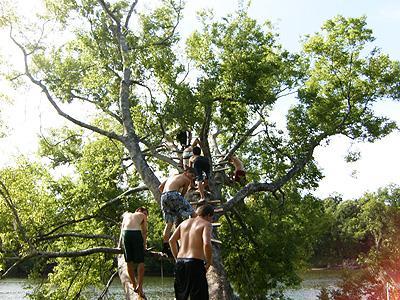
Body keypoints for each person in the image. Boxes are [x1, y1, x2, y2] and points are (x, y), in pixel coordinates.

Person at [169, 204, 214, 300]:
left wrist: (177, 258)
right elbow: (206, 244)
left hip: (180, 262)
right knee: (199, 296)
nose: (211, 220)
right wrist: (209, 261)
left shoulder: (184, 223)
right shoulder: (206, 224)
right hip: (195, 263)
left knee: (181, 296)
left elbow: (171, 240)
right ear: (209, 215)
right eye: (211, 218)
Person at [159, 168, 197, 255]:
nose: (191, 179)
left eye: (193, 178)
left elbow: (160, 187)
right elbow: (183, 194)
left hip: (163, 197)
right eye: (191, 176)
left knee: (169, 223)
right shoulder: (186, 180)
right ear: (186, 173)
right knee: (192, 212)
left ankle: (165, 246)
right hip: (173, 194)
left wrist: (167, 197)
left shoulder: (172, 176)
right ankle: (198, 229)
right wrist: (177, 200)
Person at [119, 207, 148, 298]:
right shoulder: (142, 215)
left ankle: (134, 285)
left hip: (125, 234)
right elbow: (144, 231)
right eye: (146, 214)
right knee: (141, 261)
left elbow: (122, 230)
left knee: (129, 261)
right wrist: (144, 245)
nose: (146, 215)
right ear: (139, 211)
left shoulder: (127, 215)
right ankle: (139, 285)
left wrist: (120, 245)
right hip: (135, 234)